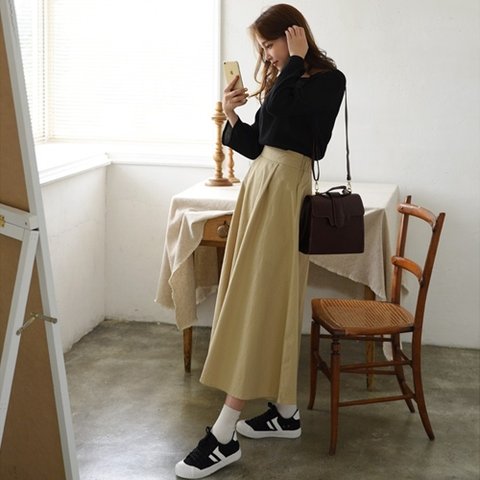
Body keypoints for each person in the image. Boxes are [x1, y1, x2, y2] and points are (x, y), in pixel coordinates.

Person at [175, 4, 345, 478]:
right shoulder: (285, 77)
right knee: (259, 294)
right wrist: (232, 115)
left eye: (269, 45)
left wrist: (294, 61)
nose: (265, 55)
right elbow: (261, 141)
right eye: (262, 48)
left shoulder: (328, 81)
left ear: (293, 35)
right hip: (262, 185)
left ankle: (224, 433)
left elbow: (293, 128)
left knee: (261, 299)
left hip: (285, 189)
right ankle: (285, 413)